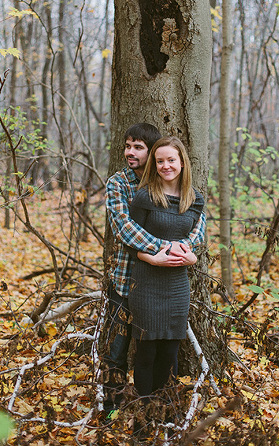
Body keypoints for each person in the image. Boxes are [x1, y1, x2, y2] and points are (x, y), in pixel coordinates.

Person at [103, 124, 205, 414]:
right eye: (127, 145)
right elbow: (124, 228)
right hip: (127, 280)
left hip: (169, 283)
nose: (129, 152)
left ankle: (158, 411)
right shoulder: (120, 183)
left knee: (165, 351)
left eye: (138, 147)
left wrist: (187, 252)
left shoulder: (184, 192)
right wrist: (163, 250)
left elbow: (198, 228)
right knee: (117, 351)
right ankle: (112, 409)